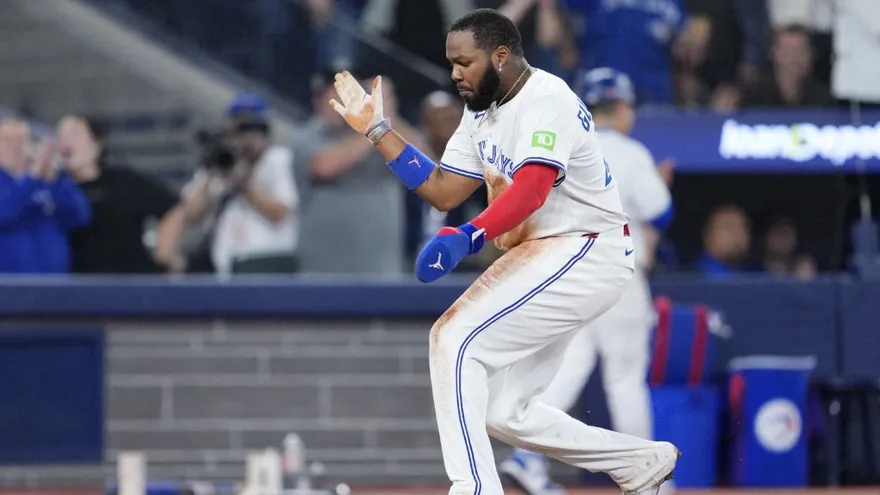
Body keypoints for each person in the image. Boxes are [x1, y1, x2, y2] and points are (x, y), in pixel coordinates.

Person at [328, 8, 678, 495]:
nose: (454, 73)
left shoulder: (547, 97)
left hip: (585, 246)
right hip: (550, 252)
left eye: (464, 63)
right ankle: (640, 460)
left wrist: (468, 235)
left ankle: (474, 489)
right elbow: (443, 188)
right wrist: (378, 132)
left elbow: (533, 188)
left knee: (452, 339)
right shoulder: (481, 113)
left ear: (500, 56)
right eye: (451, 63)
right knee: (503, 412)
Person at [499, 68, 675, 495]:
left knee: (568, 371)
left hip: (569, 276)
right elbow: (662, 211)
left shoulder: (565, 147)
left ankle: (527, 457)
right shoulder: (631, 152)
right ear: (619, 107)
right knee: (624, 380)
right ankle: (650, 479)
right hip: (619, 275)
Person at [57, 115, 182, 273]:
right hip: (81, 286)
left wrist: (163, 255)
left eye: (75, 135)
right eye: (62, 136)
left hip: (130, 283)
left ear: (96, 143)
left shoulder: (123, 182)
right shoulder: (55, 190)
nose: (67, 142)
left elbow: (172, 208)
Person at [0, 118, 91, 273]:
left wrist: (56, 180)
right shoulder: (29, 181)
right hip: (9, 286)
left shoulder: (49, 183)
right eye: (7, 140)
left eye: (22, 140)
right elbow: (4, 213)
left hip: (54, 285)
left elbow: (80, 216)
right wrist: (32, 178)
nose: (16, 147)